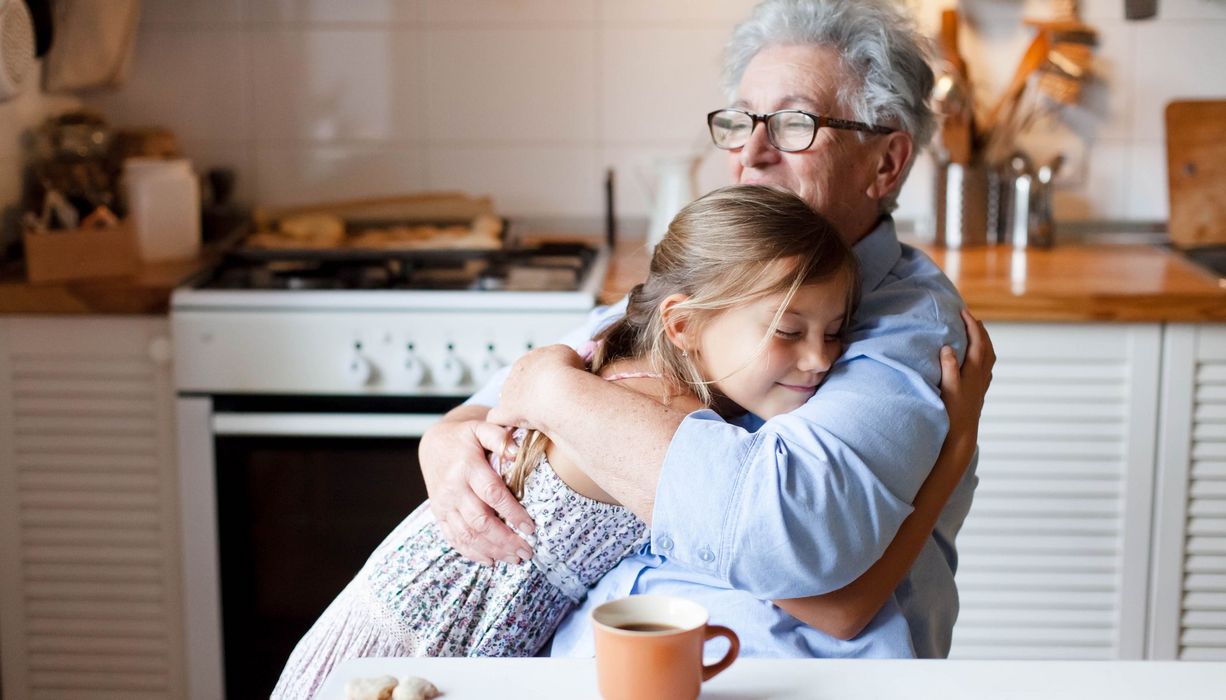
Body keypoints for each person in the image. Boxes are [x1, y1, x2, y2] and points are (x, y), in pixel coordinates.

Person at [271, 186, 991, 699]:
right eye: (787, 330)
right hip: (412, 643)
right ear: (682, 326)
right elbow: (836, 607)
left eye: (835, 332)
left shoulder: (639, 362)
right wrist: (953, 454)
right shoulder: (652, 415)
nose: (820, 361)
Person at [420, 0, 981, 659]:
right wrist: (447, 440)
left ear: (885, 165)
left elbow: (793, 537)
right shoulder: (723, 272)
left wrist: (554, 393)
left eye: (795, 123)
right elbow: (492, 406)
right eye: (741, 122)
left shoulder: (910, 324)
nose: (751, 152)